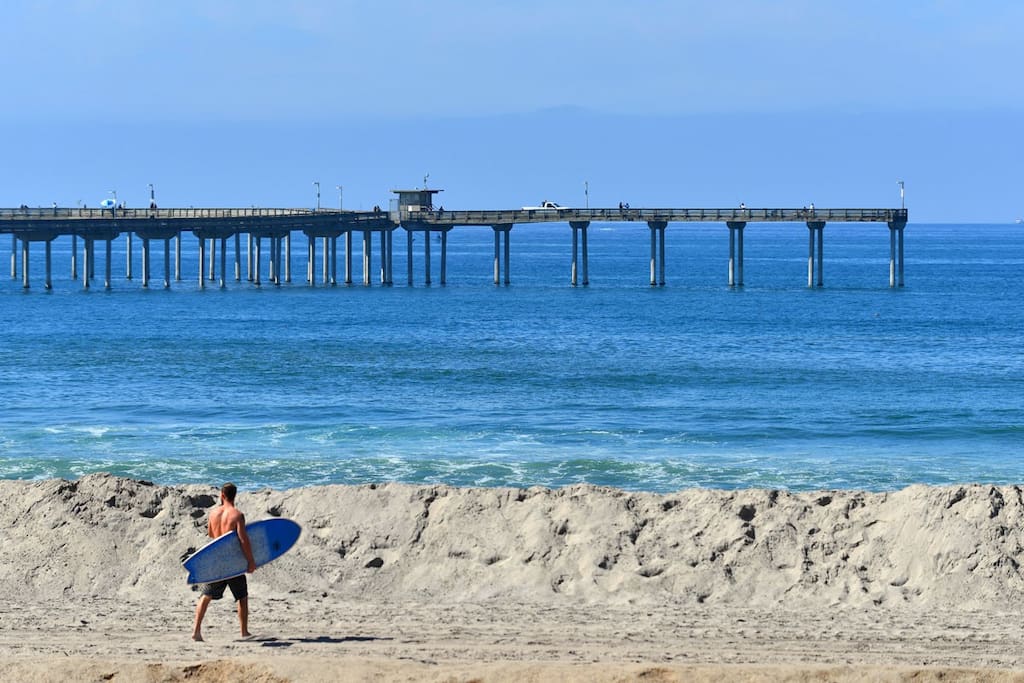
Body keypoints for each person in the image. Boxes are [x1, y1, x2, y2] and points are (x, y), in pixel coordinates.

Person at [191, 482, 257, 642]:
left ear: (222, 495)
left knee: (205, 595)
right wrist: (250, 561)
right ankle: (244, 632)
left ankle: (196, 631)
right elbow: (243, 540)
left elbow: (211, 534)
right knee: (241, 596)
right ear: (235, 495)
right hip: (232, 563)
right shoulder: (237, 515)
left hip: (216, 561)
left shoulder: (213, 514)